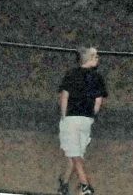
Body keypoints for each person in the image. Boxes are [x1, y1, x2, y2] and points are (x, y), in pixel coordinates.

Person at [55, 46, 106, 195]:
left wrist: (64, 116)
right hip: (85, 119)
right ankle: (78, 184)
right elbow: (98, 100)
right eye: (95, 56)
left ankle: (79, 185)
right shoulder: (97, 78)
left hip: (71, 118)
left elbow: (64, 96)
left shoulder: (71, 74)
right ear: (89, 59)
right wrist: (91, 114)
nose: (98, 58)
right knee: (76, 153)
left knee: (74, 154)